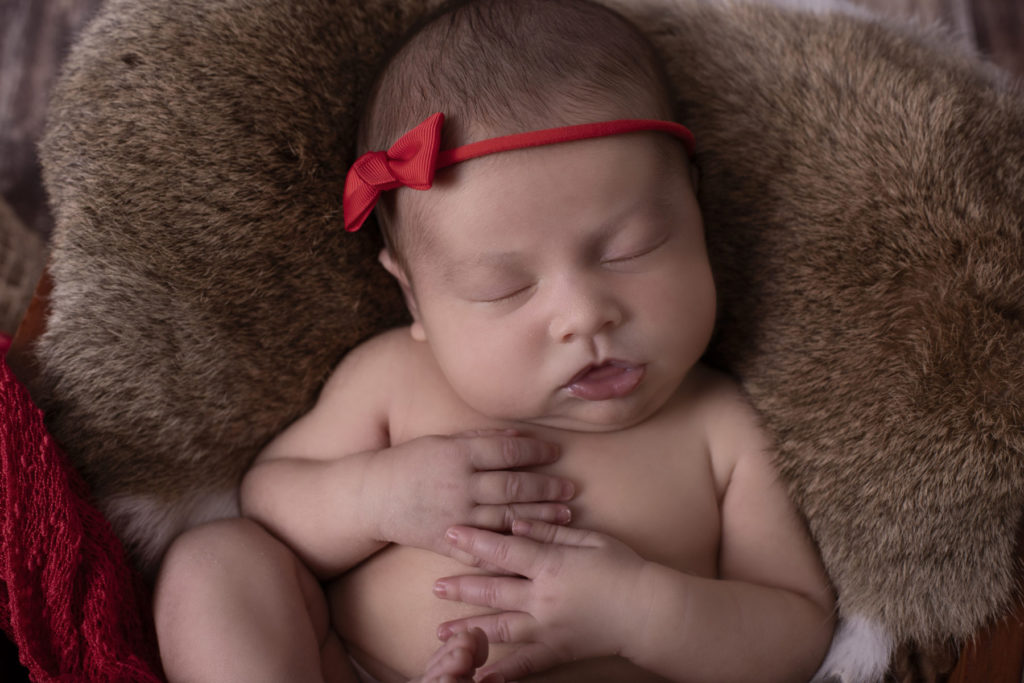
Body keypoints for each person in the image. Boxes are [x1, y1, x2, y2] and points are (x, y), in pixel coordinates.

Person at [154, 0, 836, 681]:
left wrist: (644, 611)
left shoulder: (719, 428)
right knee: (215, 560)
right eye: (504, 289)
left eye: (634, 248)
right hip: (358, 667)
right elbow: (270, 502)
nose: (583, 315)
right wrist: (373, 498)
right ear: (413, 296)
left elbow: (798, 627)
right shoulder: (394, 378)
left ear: (695, 208)